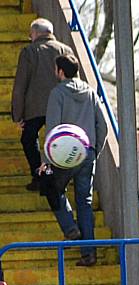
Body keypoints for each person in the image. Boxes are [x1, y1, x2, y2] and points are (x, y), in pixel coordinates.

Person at [38, 54, 108, 267]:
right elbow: (102, 126)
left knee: (52, 189)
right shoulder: (90, 92)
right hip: (86, 153)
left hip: (63, 154)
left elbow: (52, 128)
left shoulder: (57, 93)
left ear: (60, 71)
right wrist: (93, 152)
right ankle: (89, 254)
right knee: (84, 202)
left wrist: (45, 160)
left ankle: (70, 228)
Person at [11, 18, 73, 192]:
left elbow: (20, 86)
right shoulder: (65, 50)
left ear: (36, 33)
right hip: (62, 108)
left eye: (31, 34)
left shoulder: (29, 52)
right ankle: (59, 178)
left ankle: (39, 175)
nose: (30, 37)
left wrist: (18, 115)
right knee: (59, 141)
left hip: (34, 108)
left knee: (29, 139)